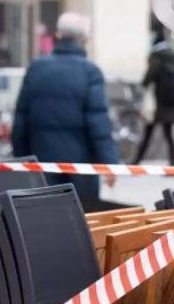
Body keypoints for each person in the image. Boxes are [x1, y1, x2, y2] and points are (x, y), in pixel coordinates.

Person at [12, 12, 118, 201]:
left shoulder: (36, 68)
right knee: (82, 219)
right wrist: (109, 164)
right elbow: (99, 122)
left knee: (43, 218)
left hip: (41, 163)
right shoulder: (90, 72)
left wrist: (21, 158)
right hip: (82, 168)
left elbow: (21, 118)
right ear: (84, 39)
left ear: (58, 36)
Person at [132, 36, 174, 166]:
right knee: (169, 135)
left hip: (157, 105)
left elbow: (146, 80)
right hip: (171, 104)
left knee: (148, 134)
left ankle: (136, 162)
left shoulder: (156, 59)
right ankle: (173, 163)